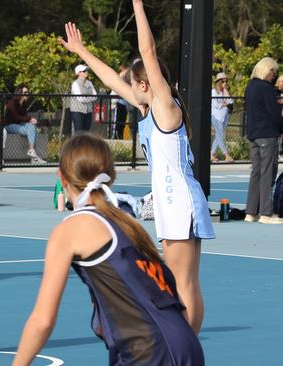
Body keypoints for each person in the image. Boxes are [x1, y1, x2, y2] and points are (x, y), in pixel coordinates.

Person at [59, 0, 214, 334]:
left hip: (179, 200)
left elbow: (148, 49)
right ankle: (186, 344)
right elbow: (112, 79)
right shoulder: (146, 108)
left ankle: (184, 346)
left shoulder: (164, 106)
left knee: (181, 280)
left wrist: (138, 5)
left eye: (134, 82)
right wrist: (82, 51)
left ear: (146, 84)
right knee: (181, 279)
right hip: (171, 200)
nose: (128, 87)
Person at [13, 133, 204, 366]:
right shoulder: (127, 224)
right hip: (185, 345)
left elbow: (42, 320)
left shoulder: (71, 230)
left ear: (61, 177)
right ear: (110, 178)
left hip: (147, 352)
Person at [244, 57, 283, 224]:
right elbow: (274, 113)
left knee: (256, 173)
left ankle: (251, 212)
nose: (274, 75)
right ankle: (266, 213)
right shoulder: (266, 89)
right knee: (268, 173)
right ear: (267, 70)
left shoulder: (250, 86)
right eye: (273, 71)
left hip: (254, 134)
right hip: (267, 134)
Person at [3, 85, 46, 164]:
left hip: (19, 124)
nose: (27, 94)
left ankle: (32, 153)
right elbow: (15, 117)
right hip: (9, 125)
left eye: (28, 92)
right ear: (20, 93)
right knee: (31, 129)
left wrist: (30, 121)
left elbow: (25, 116)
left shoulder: (24, 103)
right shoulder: (11, 103)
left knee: (32, 127)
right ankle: (34, 156)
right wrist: (29, 119)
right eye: (25, 92)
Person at [210, 72, 234, 162]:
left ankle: (211, 154)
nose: (225, 83)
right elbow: (216, 105)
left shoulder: (224, 92)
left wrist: (225, 90)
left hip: (224, 116)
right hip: (216, 116)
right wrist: (225, 104)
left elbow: (230, 102)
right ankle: (226, 155)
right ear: (219, 81)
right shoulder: (213, 92)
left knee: (218, 136)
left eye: (226, 81)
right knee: (220, 135)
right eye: (223, 81)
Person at [70, 64, 98, 132]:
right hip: (77, 111)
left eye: (86, 70)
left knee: (86, 132)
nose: (86, 72)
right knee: (79, 131)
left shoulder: (89, 83)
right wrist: (90, 98)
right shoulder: (75, 84)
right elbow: (80, 99)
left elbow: (95, 96)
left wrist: (87, 98)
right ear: (78, 73)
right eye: (84, 71)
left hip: (88, 110)